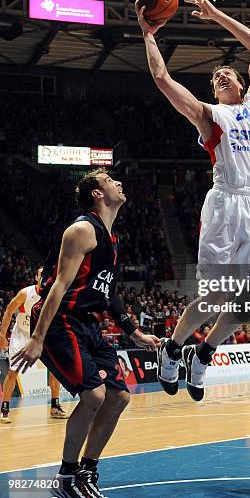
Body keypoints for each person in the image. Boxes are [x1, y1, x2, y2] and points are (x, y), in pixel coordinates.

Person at [136, 0, 250, 402]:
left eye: (226, 74)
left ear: (241, 82)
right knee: (214, 295)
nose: (220, 77)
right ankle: (173, 346)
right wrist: (149, 35)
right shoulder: (209, 115)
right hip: (228, 205)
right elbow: (163, 79)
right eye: (214, 78)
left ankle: (204, 352)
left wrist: (216, 15)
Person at [11, 168, 160, 498]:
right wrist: (37, 338)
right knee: (94, 395)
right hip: (62, 323)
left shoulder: (111, 238)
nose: (118, 182)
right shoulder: (81, 230)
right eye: (109, 180)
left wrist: (133, 333)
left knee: (119, 396)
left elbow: (108, 291)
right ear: (97, 193)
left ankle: (87, 470)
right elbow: (59, 286)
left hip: (89, 325)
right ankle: (66, 478)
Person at [0, 267, 68, 423]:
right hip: (22, 335)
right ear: (36, 278)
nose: (43, 277)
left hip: (42, 335)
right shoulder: (25, 293)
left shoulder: (54, 295)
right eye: (40, 274)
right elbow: (9, 311)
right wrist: (2, 336)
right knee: (13, 372)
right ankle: (4, 409)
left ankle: (55, 407)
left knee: (55, 371)